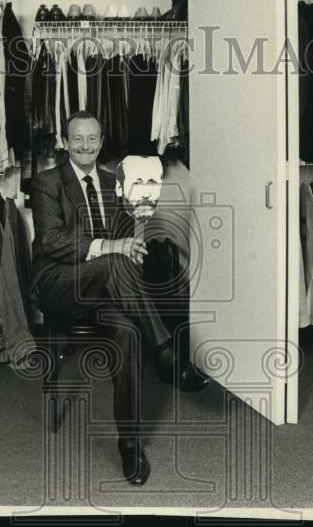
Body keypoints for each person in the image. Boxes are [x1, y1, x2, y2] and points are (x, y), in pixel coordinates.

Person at [28, 110, 208, 486]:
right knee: (112, 262)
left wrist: (133, 247)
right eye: (77, 139)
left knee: (126, 332)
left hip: (105, 286)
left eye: (92, 139)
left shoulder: (112, 181)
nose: (85, 146)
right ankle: (165, 354)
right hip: (58, 284)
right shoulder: (46, 182)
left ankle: (129, 445)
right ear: (64, 141)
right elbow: (51, 242)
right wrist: (114, 248)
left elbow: (123, 231)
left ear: (101, 140)